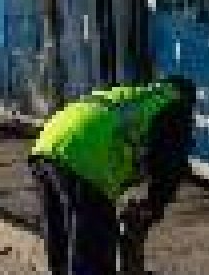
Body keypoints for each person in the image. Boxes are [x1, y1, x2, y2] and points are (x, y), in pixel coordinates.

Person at [29, 75, 195, 274]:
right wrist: (154, 206)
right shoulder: (174, 107)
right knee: (93, 244)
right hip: (84, 158)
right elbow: (169, 166)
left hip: (46, 144)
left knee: (60, 238)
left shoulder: (138, 96)